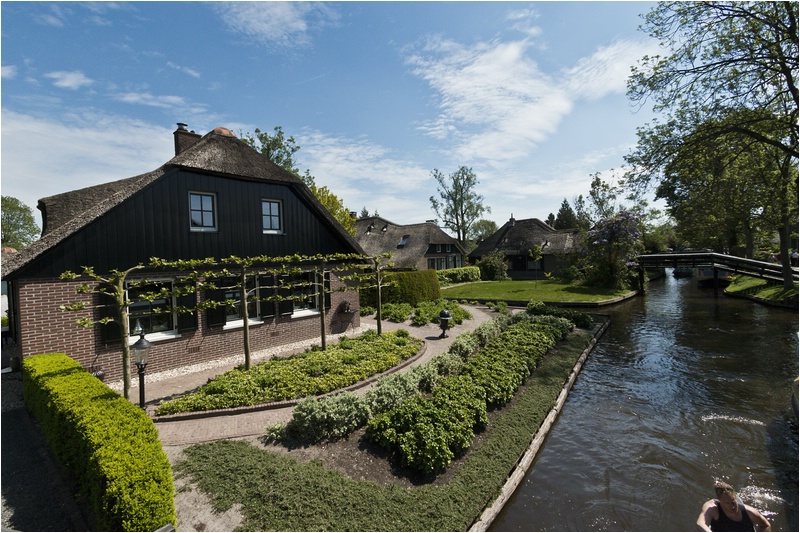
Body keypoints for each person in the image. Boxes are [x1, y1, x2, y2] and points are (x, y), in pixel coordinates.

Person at [696, 481, 771, 531]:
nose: (732, 506)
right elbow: (700, 523)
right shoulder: (713, 508)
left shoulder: (749, 512)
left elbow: (766, 525)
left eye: (733, 502)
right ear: (719, 500)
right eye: (727, 503)